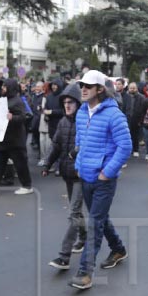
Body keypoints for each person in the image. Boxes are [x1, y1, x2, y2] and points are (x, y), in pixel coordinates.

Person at [69, 70, 131, 290]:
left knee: (94, 222)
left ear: (100, 89)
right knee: (100, 218)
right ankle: (118, 248)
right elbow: (80, 142)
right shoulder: (81, 112)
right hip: (85, 175)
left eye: (88, 86)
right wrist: (78, 166)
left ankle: (85, 272)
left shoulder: (114, 115)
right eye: (81, 85)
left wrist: (108, 172)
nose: (83, 89)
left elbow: (125, 147)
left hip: (104, 179)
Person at [45, 83, 87, 269]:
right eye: (65, 102)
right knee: (76, 211)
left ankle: (64, 256)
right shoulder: (62, 122)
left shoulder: (86, 121)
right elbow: (56, 146)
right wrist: (47, 164)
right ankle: (85, 237)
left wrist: (77, 153)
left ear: (78, 103)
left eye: (71, 102)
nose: (67, 105)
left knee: (73, 212)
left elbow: (88, 143)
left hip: (82, 173)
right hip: (67, 172)